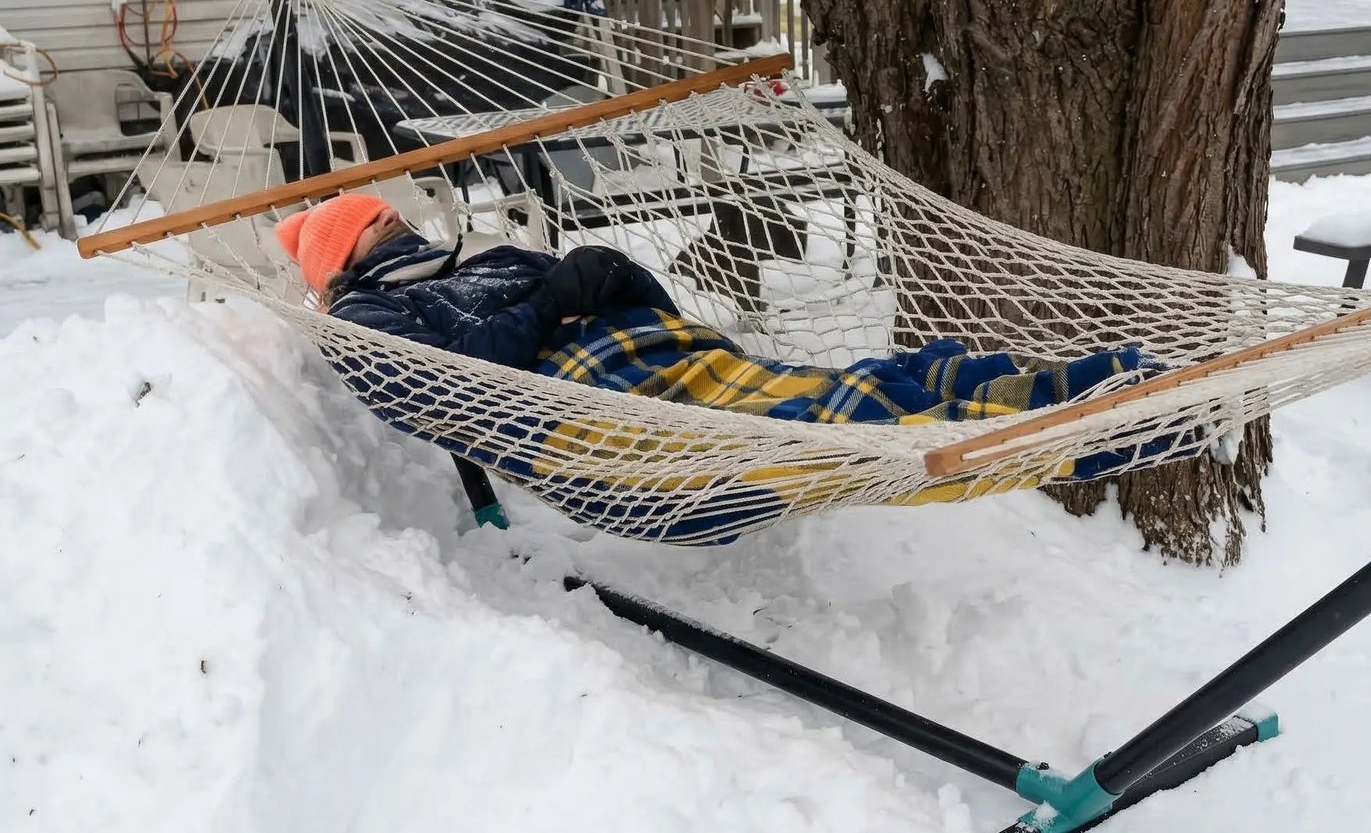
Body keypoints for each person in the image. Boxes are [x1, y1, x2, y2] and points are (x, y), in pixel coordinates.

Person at [273, 194, 1184, 465]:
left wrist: (616, 279)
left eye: (393, 217)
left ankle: (1073, 393)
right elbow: (453, 384)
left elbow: (618, 294)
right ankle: (1079, 439)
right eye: (377, 229)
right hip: (586, 414)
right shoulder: (368, 319)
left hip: (657, 356)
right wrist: (555, 302)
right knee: (837, 435)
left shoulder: (483, 260)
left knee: (849, 386)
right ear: (346, 260)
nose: (400, 229)